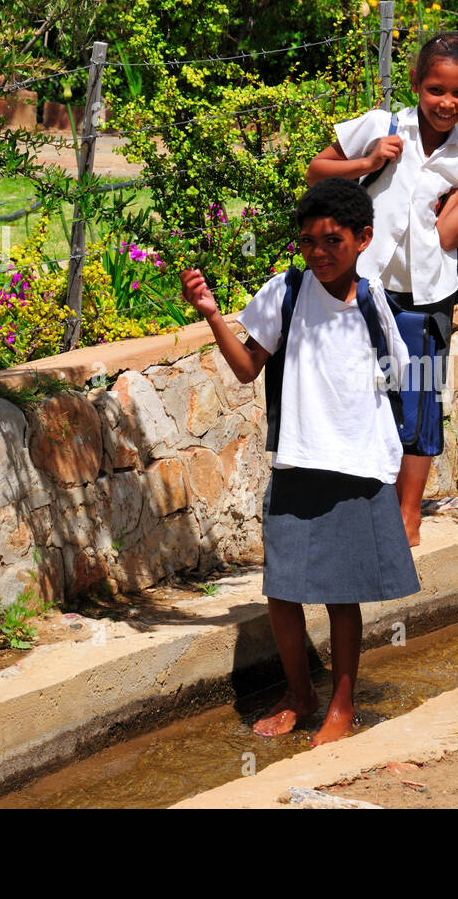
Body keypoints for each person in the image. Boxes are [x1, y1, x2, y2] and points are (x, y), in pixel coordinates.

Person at [178, 178, 419, 747]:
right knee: (282, 591)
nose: (318, 252)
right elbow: (246, 367)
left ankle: (340, 706)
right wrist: (212, 314)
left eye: (332, 241)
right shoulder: (284, 292)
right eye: (308, 241)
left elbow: (398, 377)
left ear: (362, 239)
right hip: (296, 461)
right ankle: (299, 694)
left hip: (355, 464)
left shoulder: (374, 301)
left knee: (341, 593)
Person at [306, 32, 458, 546]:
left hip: (426, 297)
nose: (446, 102)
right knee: (359, 395)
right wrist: (368, 164)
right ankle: (352, 510)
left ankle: (408, 517)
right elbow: (316, 172)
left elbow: (448, 236)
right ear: (416, 83)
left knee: (420, 398)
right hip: (366, 291)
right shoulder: (382, 126)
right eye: (436, 88)